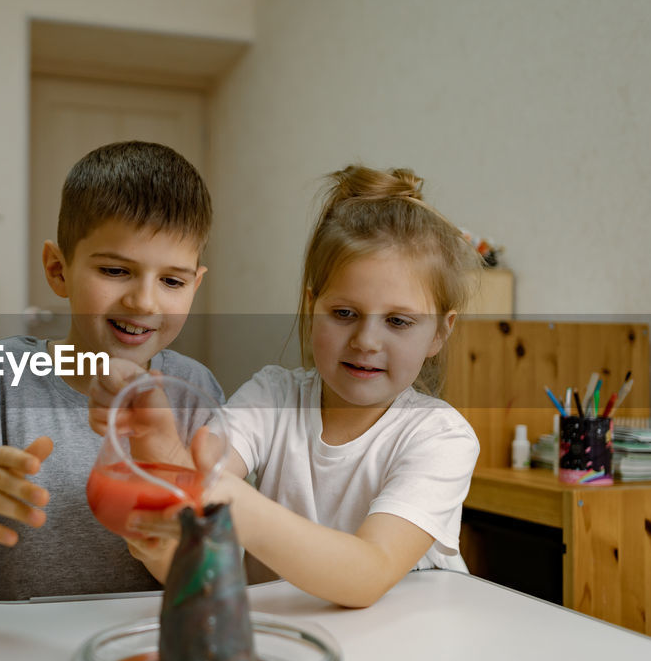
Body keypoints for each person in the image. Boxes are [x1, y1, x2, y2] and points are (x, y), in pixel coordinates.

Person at [91, 164, 481, 608]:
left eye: (398, 321)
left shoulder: (440, 437)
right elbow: (193, 495)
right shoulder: (272, 396)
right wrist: (152, 432)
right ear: (313, 306)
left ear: (439, 333)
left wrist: (239, 507)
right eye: (344, 314)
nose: (367, 341)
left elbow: (368, 574)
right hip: (292, 644)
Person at [0, 141, 222, 600]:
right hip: (3, 654)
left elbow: (212, 578)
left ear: (195, 285)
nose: (144, 302)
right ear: (58, 269)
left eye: (172, 281)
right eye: (115, 270)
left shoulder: (195, 392)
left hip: (136, 653)